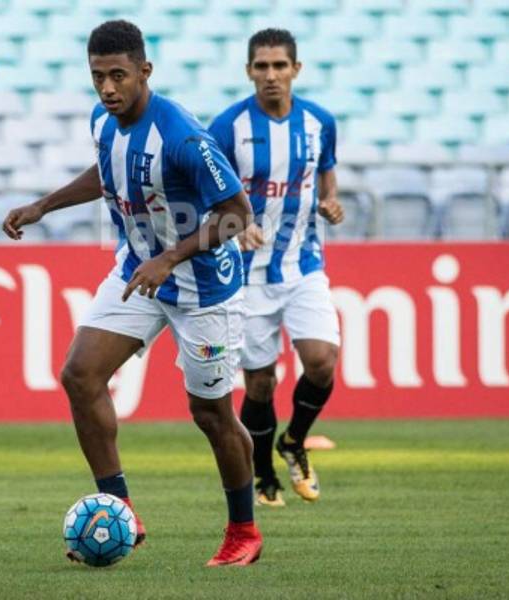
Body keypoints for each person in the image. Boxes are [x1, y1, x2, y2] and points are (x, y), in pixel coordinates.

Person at [2, 20, 262, 567]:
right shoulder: (103, 119)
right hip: (139, 272)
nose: (107, 88)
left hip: (204, 288)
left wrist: (170, 256)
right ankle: (119, 510)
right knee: (80, 374)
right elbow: (106, 173)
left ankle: (243, 531)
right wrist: (42, 206)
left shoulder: (185, 138)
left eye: (118, 75)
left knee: (211, 413)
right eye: (98, 76)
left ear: (145, 71)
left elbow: (239, 215)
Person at [208, 28, 344, 507]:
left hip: (302, 265)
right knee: (260, 382)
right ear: (249, 71)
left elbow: (325, 170)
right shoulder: (226, 128)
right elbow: (208, 194)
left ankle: (295, 441)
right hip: (245, 275)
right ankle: (264, 471)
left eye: (279, 66)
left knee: (322, 361)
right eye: (261, 66)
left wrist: (330, 201)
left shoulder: (319, 122)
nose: (271, 75)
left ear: (295, 70)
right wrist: (233, 223)